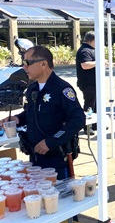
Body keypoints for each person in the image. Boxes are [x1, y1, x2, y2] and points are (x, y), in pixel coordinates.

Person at [0, 46, 85, 179]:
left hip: (56, 159)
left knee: (58, 197)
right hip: (35, 156)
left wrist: (50, 142)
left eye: (27, 63)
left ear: (43, 63)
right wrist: (17, 118)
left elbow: (78, 119)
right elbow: (30, 113)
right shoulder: (32, 89)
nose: (24, 67)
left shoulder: (62, 89)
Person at [76, 31, 96, 132]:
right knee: (89, 104)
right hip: (88, 83)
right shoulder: (85, 51)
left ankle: (96, 123)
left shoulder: (90, 49)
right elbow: (85, 65)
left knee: (96, 103)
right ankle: (88, 126)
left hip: (93, 82)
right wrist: (98, 62)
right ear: (93, 40)